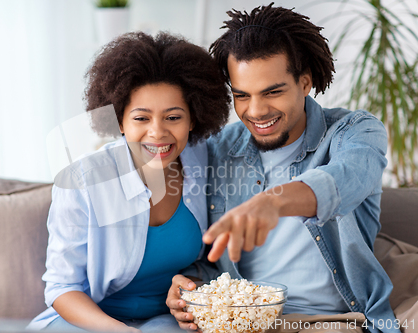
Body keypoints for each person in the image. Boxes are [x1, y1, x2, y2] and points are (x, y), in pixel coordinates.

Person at [166, 4, 400, 333]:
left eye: (273, 92)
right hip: (240, 321)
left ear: (305, 82)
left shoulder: (353, 132)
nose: (256, 111)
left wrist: (272, 201)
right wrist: (188, 284)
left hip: (333, 321)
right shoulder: (217, 150)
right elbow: (212, 257)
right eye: (242, 95)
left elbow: (348, 177)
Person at [27, 32, 230, 332]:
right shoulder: (81, 181)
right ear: (119, 121)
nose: (157, 133)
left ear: (193, 119)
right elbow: (61, 287)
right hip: (89, 321)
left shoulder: (202, 160)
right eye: (141, 118)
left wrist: (190, 287)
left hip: (165, 319)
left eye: (173, 117)